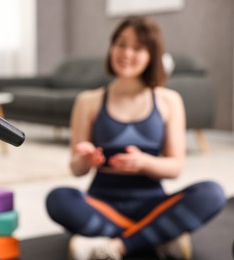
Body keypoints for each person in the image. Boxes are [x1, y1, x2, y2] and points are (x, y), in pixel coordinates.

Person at [45, 16, 226, 260]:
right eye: (121, 44)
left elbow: (175, 167)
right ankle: (157, 237)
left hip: (153, 205)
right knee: (58, 199)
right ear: (111, 48)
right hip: (102, 204)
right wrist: (85, 160)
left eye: (138, 48)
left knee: (212, 193)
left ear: (152, 55)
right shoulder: (88, 101)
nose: (126, 53)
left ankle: (116, 245)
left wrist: (144, 163)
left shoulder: (168, 100)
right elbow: (76, 169)